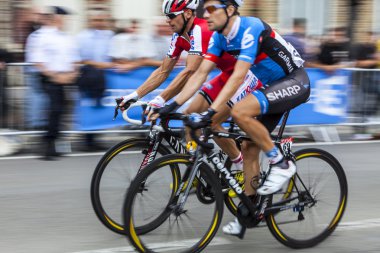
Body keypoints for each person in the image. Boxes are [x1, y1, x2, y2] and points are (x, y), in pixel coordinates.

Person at [155, 0, 310, 237]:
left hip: (294, 81)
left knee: (239, 112)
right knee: (248, 146)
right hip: (269, 85)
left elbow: (238, 77)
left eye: (211, 10)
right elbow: (200, 74)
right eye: (203, 11)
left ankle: (281, 163)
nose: (205, 15)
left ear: (229, 11)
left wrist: (210, 113)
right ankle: (249, 212)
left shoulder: (250, 27)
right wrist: (172, 105)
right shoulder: (218, 37)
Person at [120, 0, 260, 175]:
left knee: (211, 122)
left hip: (245, 76)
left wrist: (160, 100)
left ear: (187, 14)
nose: (167, 21)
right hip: (226, 75)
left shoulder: (200, 29)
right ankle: (197, 169)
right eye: (166, 17)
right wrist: (134, 96)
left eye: (171, 16)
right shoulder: (178, 36)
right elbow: (163, 71)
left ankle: (240, 168)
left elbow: (190, 71)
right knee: (189, 116)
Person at [28, 6, 79, 160]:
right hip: (48, 78)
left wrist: (72, 74)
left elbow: (75, 59)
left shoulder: (66, 37)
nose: (66, 21)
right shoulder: (39, 36)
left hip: (65, 78)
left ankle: (56, 143)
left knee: (61, 111)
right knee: (54, 110)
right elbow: (37, 61)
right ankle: (48, 145)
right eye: (64, 18)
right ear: (57, 18)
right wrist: (55, 76)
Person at [76, 9, 115, 151]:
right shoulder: (83, 37)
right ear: (90, 21)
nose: (99, 22)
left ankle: (95, 137)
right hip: (89, 76)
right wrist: (101, 65)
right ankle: (87, 139)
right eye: (96, 20)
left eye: (101, 19)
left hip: (104, 77)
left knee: (100, 106)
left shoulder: (110, 35)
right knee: (88, 106)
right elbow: (82, 59)